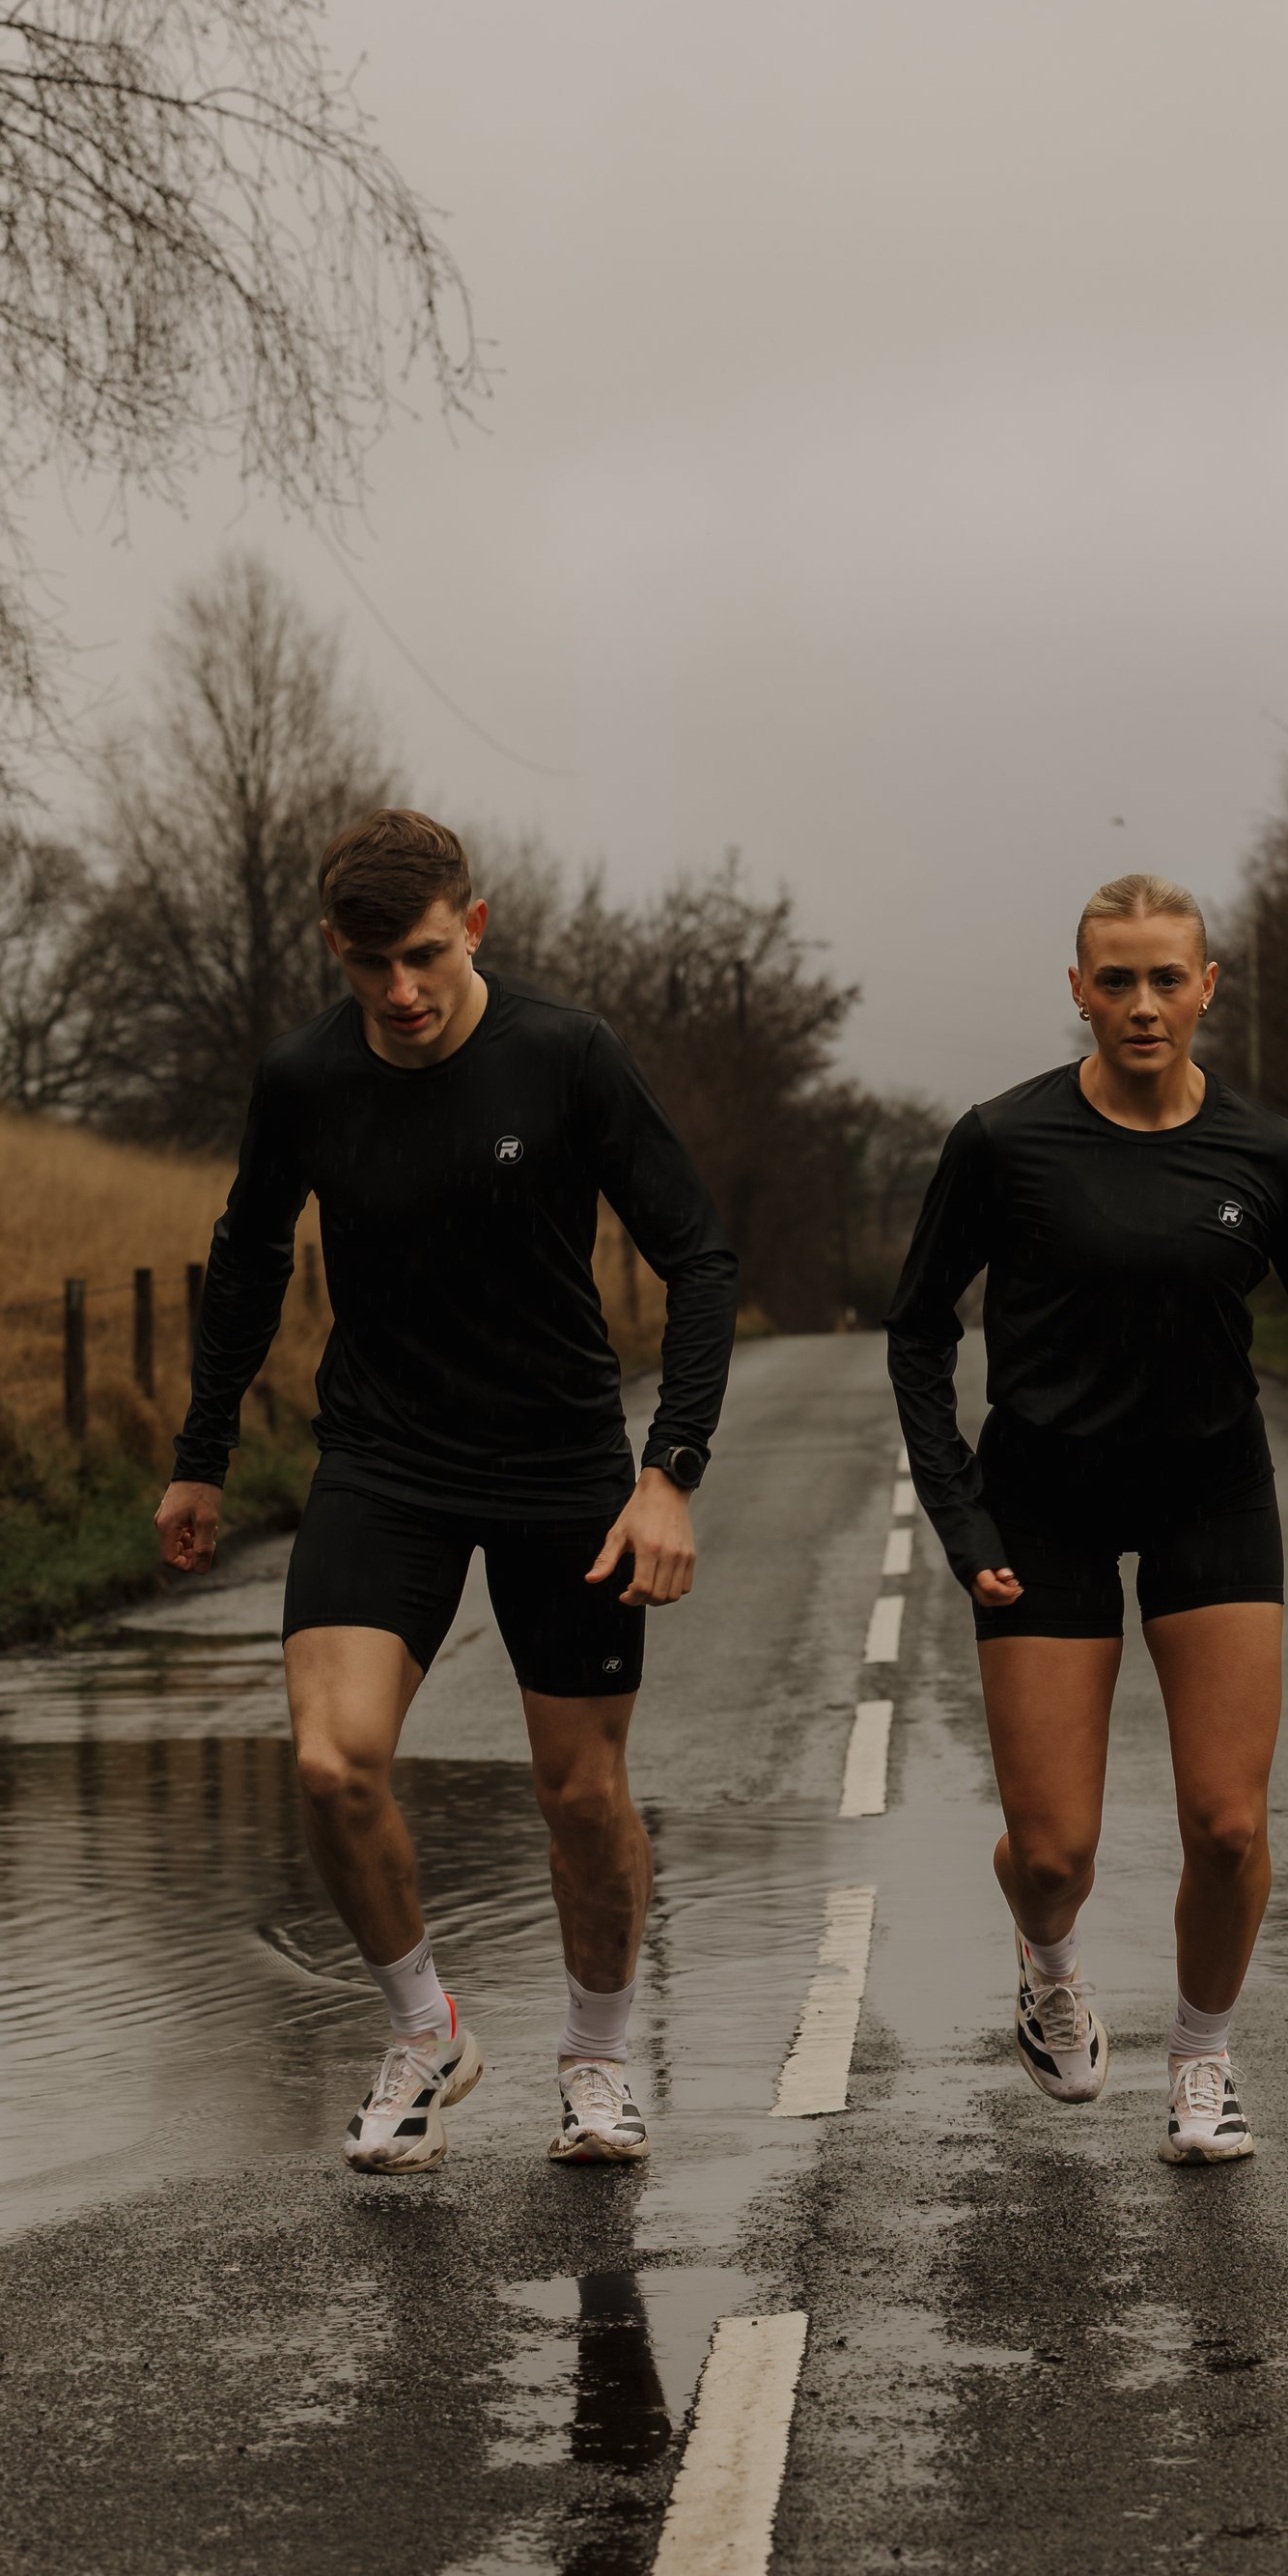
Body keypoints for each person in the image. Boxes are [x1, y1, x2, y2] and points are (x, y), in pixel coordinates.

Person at [155, 808, 737, 2177]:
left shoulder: (564, 1053)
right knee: (328, 1758)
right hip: (386, 1456)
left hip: (559, 1464)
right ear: (333, 950)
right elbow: (246, 1259)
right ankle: (427, 2030)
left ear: (472, 926)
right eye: (371, 967)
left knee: (581, 1791)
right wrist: (201, 1452)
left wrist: (671, 1475)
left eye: (423, 956)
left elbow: (700, 1256)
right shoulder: (302, 1074)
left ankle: (597, 2060)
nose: (402, 993)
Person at [884, 873, 1288, 2163]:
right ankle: (1048, 1961)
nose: (1142, 1003)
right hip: (1040, 1498)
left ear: (1207, 986)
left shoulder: (1274, 1154)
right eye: (1115, 979)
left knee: (1228, 1823)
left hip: (1207, 1491)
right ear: (1077, 990)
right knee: (1053, 1852)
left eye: (1167, 977)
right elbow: (912, 1335)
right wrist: (961, 1518)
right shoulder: (1003, 1142)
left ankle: (1204, 2059)